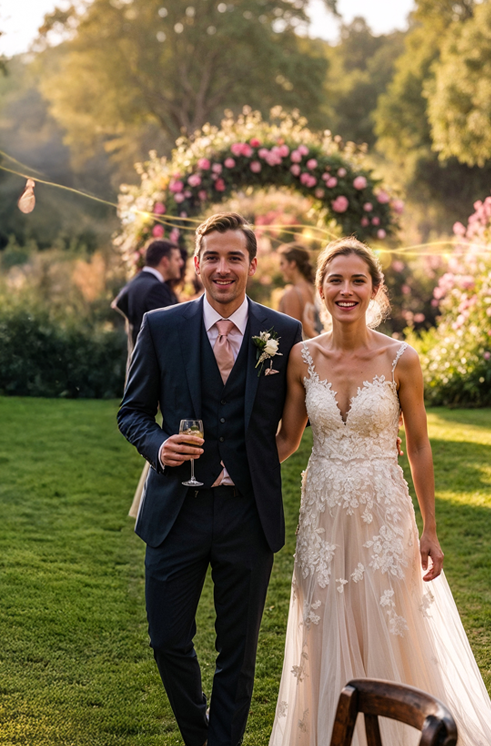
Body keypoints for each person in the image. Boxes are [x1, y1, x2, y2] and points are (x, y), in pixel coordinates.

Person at [269, 238, 491, 746]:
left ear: (375, 290)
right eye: (335, 280)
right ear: (321, 289)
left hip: (383, 509)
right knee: (324, 620)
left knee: (389, 620)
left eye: (358, 280)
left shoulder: (401, 359)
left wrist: (431, 529)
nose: (346, 290)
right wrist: (234, 463)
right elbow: (287, 439)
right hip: (324, 513)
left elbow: (418, 446)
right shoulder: (300, 358)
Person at [118, 212, 304, 746]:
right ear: (197, 263)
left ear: (252, 263)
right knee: (167, 640)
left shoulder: (282, 334)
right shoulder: (162, 326)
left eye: (235, 257)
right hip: (177, 511)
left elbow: (296, 420)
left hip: (247, 513)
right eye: (213, 257)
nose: (223, 269)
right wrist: (159, 446)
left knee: (237, 654)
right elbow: (131, 412)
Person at [113, 239, 185, 361]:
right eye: (177, 259)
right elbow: (170, 332)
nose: (181, 263)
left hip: (136, 362)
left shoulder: (134, 283)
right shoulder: (156, 289)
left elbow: (119, 303)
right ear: (165, 262)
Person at [276, 242, 321, 338]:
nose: (280, 268)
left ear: (292, 264)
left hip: (299, 350)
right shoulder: (310, 288)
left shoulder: (293, 294)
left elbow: (290, 334)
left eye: (282, 263)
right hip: (311, 345)